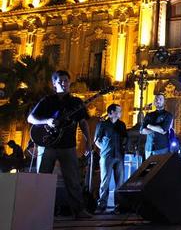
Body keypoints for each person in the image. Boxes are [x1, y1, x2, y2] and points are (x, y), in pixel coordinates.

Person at [27, 70, 92, 219]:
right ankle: (39, 210)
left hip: (68, 146)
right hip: (49, 145)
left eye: (67, 81)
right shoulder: (47, 101)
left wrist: (88, 141)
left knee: (73, 179)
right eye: (61, 81)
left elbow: (83, 123)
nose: (64, 83)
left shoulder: (75, 102)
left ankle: (79, 210)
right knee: (43, 178)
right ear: (54, 84)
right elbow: (31, 118)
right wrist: (47, 121)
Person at [94, 104, 127, 213]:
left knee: (120, 182)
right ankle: (102, 204)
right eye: (119, 111)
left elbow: (125, 138)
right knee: (105, 181)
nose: (120, 113)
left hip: (119, 156)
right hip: (106, 156)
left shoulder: (122, 125)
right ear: (111, 112)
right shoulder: (102, 125)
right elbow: (97, 140)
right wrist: (104, 149)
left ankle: (119, 205)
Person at [141, 94, 173, 159]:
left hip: (161, 148)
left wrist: (149, 126)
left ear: (164, 102)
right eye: (156, 99)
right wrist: (157, 129)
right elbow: (142, 130)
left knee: (161, 168)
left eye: (160, 99)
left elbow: (163, 130)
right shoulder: (149, 115)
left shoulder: (168, 115)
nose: (158, 101)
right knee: (149, 169)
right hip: (148, 149)